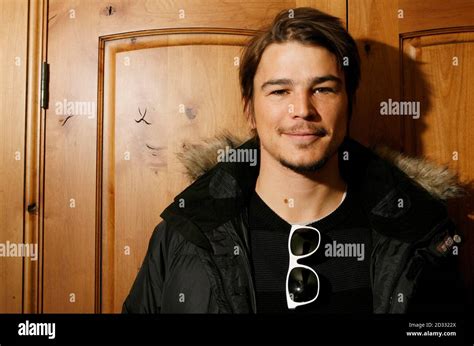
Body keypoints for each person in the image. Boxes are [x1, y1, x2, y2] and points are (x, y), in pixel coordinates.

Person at [122, 7, 464, 313]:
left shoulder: (421, 237)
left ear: (350, 104)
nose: (301, 109)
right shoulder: (185, 234)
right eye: (279, 91)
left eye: (324, 89)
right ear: (249, 109)